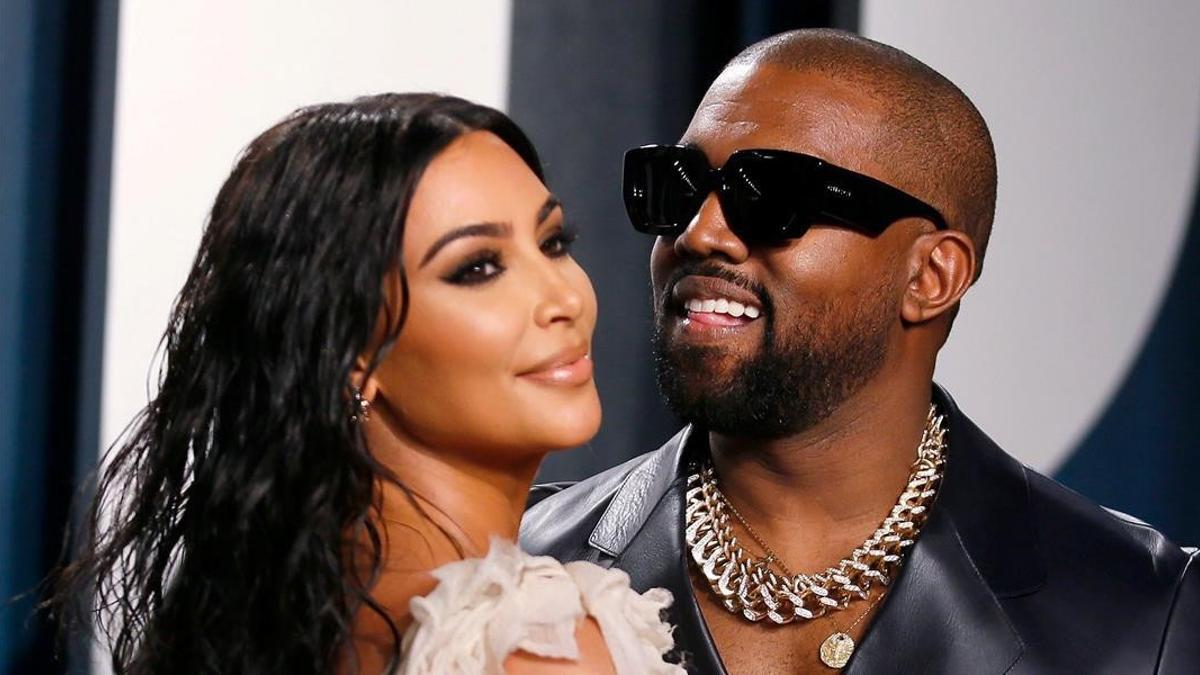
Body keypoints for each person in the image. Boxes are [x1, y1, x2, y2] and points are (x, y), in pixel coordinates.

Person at [521, 29, 1200, 674]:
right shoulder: (518, 564)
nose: (701, 233)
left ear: (931, 276)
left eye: (773, 196)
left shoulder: (1145, 610)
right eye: (678, 185)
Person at [50, 93, 681, 674]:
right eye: (479, 268)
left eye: (552, 242)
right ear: (354, 353)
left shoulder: (278, 617)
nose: (563, 297)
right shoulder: (536, 649)